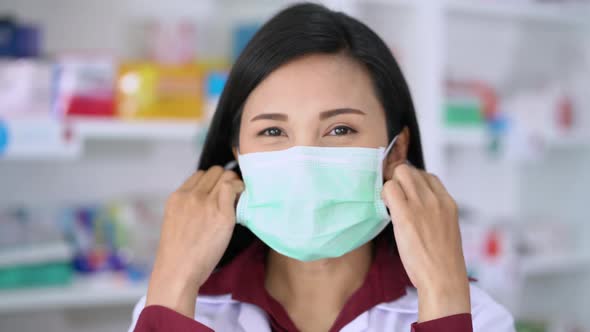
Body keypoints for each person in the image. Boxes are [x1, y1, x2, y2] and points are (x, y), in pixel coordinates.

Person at [128, 3, 514, 331]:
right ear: (238, 155)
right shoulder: (175, 306)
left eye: (339, 129)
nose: (304, 163)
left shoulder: (473, 317)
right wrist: (173, 281)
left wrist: (442, 295)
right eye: (273, 130)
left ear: (396, 152)